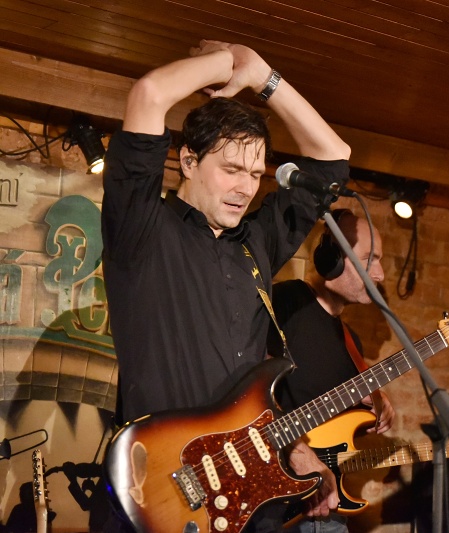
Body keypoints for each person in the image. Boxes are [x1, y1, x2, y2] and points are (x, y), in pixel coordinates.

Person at [101, 39, 350, 531]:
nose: (245, 188)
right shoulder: (142, 228)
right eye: (231, 170)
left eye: (255, 174)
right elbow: (149, 94)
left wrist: (263, 77)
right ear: (188, 161)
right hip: (164, 495)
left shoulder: (256, 240)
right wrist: (230, 63)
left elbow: (332, 157)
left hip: (247, 499)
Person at [268, 209, 396, 532]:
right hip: (273, 496)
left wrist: (376, 407)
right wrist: (297, 452)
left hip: (324, 506)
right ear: (331, 260)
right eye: (369, 259)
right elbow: (247, 392)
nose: (380, 274)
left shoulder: (351, 342)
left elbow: (335, 431)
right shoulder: (285, 302)